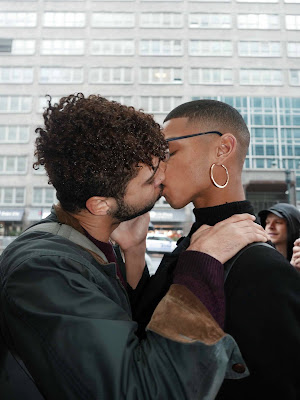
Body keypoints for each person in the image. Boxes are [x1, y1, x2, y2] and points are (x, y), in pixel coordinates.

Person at [0, 94, 268, 400]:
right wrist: (201, 262)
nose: (163, 176)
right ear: (100, 204)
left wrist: (134, 251)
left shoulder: (89, 247)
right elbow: (146, 391)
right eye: (151, 179)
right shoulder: (43, 270)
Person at [132, 99, 300, 400]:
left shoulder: (260, 265)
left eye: (169, 152)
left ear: (223, 148)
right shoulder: (193, 246)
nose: (157, 170)